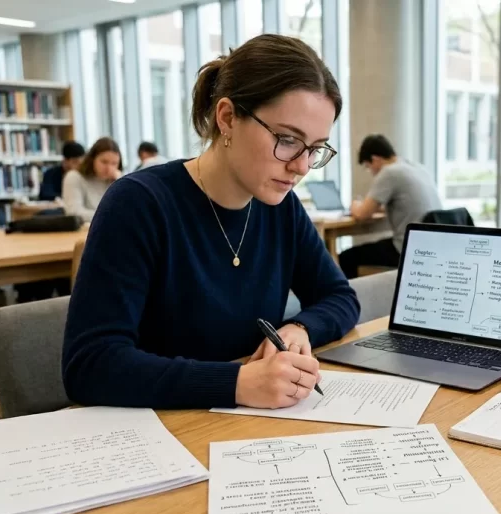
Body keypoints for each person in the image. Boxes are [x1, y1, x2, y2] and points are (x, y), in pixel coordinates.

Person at [62, 34, 360, 411]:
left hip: (244, 423)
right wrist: (236, 383)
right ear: (227, 118)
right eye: (287, 140)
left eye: (315, 149)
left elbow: (340, 297)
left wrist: (300, 328)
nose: (301, 166)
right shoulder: (139, 203)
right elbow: (89, 364)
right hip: (157, 429)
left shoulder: (280, 206)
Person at [340, 134, 442, 279]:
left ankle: (351, 301)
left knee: (347, 257)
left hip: (406, 249)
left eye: (368, 167)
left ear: (375, 160)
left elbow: (362, 214)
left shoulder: (389, 172)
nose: (371, 172)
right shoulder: (415, 167)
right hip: (431, 246)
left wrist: (354, 204)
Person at [62, 137, 122, 222]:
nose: (109, 168)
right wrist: (111, 215)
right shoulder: (74, 177)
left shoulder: (116, 180)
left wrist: (119, 182)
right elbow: (74, 213)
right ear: (92, 159)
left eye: (114, 163)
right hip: (83, 233)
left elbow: (128, 212)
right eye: (104, 162)